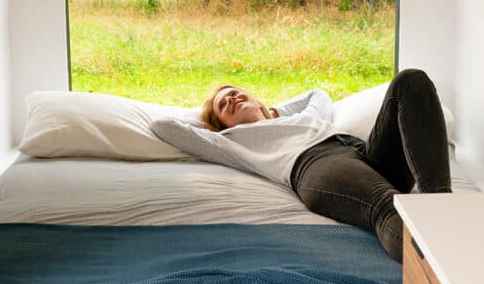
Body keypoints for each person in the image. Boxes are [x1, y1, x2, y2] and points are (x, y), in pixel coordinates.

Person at [151, 69, 451, 262]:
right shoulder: (231, 141)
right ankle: (445, 261)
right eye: (223, 106)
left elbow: (318, 95)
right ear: (221, 125)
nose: (231, 98)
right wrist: (208, 120)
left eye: (235, 93)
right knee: (387, 206)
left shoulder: (303, 115)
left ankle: (442, 206)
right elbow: (164, 126)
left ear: (257, 99)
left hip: (363, 152)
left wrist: (273, 111)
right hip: (319, 165)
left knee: (410, 80)